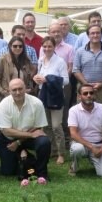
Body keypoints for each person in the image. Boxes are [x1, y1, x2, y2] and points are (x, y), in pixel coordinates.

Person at [0, 79, 51, 181]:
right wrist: (27, 137)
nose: (18, 92)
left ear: (25, 89)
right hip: (10, 139)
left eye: (20, 89)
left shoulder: (36, 103)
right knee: (8, 172)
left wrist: (18, 142)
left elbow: (38, 127)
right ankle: (25, 157)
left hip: (28, 138)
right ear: (9, 91)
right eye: (14, 90)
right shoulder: (4, 104)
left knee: (44, 142)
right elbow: (6, 130)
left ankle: (42, 173)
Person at [33, 37, 69, 165]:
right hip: (43, 95)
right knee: (46, 126)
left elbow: (66, 80)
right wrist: (36, 78)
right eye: (45, 46)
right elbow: (40, 76)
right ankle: (51, 150)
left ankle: (61, 153)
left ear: (54, 47)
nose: (47, 49)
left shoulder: (60, 62)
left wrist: (48, 79)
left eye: (50, 46)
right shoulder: (41, 60)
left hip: (56, 96)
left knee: (56, 126)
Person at [67, 84, 102, 178]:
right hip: (81, 145)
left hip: (98, 145)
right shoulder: (73, 110)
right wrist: (92, 148)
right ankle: (74, 166)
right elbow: (73, 134)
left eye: (91, 93)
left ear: (94, 95)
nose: (89, 95)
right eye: (85, 93)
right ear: (79, 96)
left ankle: (94, 160)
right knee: (77, 149)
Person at [73, 25, 102, 106]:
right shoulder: (80, 51)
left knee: (101, 114)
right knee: (83, 113)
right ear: (88, 35)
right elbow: (76, 70)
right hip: (84, 88)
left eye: (98, 33)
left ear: (101, 34)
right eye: (92, 33)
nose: (95, 35)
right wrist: (86, 84)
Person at [0, 36, 33, 102]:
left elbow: (29, 78)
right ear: (10, 46)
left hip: (23, 95)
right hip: (7, 96)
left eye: (20, 46)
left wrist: (29, 89)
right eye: (15, 46)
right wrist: (3, 92)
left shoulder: (27, 60)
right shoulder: (3, 59)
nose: (18, 48)